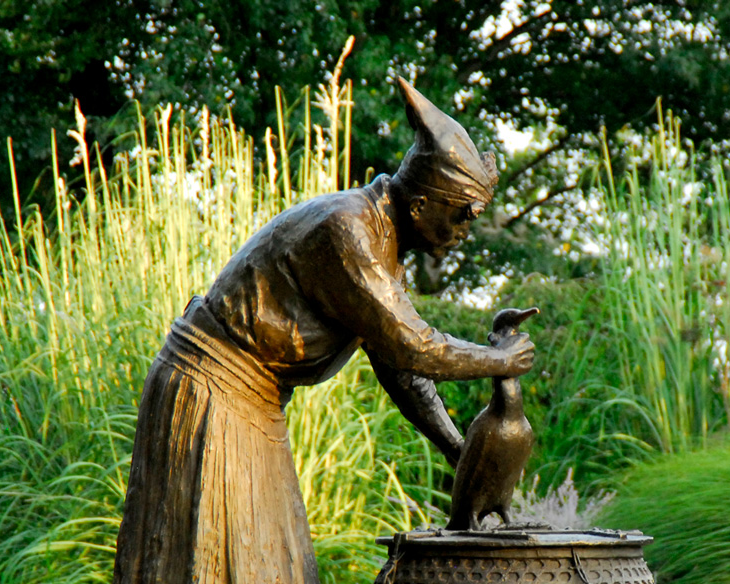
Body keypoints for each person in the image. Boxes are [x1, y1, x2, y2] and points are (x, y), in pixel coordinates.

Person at [111, 78, 535, 584]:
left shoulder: (386, 248)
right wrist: (501, 361)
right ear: (422, 204)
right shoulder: (347, 229)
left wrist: (461, 452)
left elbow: (402, 372)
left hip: (250, 403)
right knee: (225, 565)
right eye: (460, 217)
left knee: (268, 566)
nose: (464, 233)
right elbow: (412, 345)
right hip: (212, 393)